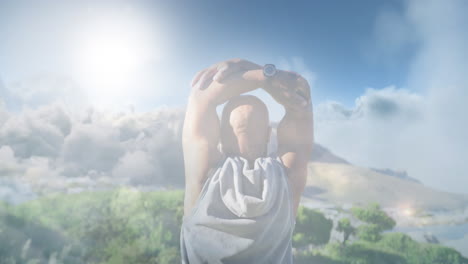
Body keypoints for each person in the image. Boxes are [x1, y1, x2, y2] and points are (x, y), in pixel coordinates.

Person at [180, 58, 313, 264]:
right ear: (269, 134)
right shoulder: (288, 179)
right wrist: (268, 75)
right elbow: (301, 97)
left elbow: (200, 95)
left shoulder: (204, 175)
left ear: (220, 135)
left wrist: (256, 73)